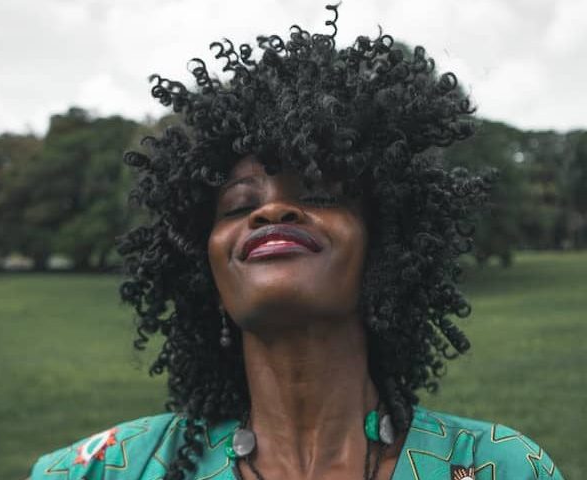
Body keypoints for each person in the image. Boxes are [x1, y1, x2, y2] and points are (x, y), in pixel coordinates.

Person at [29, 5, 564, 479]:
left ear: (387, 250)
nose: (274, 209)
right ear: (204, 272)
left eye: (323, 194)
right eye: (239, 204)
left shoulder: (501, 466)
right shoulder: (95, 471)